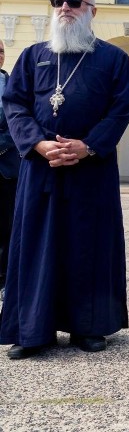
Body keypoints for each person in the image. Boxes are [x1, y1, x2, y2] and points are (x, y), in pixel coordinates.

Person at [0, 0, 129, 359]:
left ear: (93, 11)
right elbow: (15, 105)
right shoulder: (32, 56)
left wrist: (87, 146)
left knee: (87, 246)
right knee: (35, 246)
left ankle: (87, 327)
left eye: (73, 3)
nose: (64, 8)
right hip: (40, 168)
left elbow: (120, 110)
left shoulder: (113, 59)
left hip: (91, 169)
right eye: (57, 2)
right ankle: (31, 330)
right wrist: (40, 145)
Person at [0, 38, 20, 303]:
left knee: (7, 230)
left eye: (1, 51)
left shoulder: (13, 85)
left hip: (7, 168)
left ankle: (5, 282)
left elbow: (18, 122)